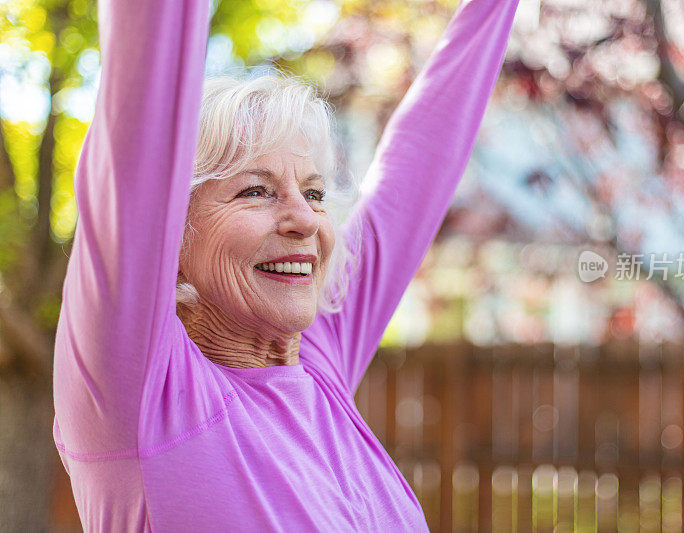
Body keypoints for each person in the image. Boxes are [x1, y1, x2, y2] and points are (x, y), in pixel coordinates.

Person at [52, 0, 520, 530]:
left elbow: (424, 153)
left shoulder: (317, 362)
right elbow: (138, 124)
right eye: (255, 190)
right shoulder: (142, 397)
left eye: (316, 193)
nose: (305, 219)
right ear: (169, 236)